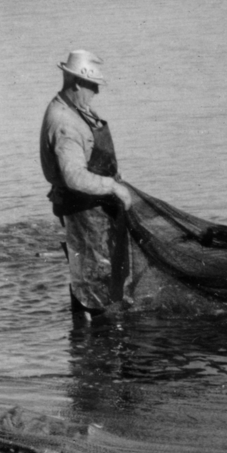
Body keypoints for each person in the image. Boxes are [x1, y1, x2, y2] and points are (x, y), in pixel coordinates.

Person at [40, 50, 138, 313]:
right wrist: (113, 186)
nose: (97, 91)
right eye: (93, 85)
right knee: (94, 279)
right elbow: (74, 176)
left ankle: (90, 340)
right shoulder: (65, 123)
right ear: (76, 83)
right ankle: (96, 340)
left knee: (97, 275)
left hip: (94, 207)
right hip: (82, 210)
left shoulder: (76, 108)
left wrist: (112, 179)